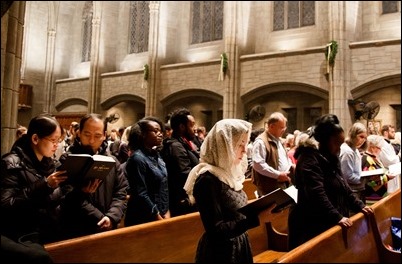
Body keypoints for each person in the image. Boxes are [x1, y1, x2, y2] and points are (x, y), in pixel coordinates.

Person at [287, 114, 373, 250]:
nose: (339, 149)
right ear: (325, 140)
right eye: (337, 144)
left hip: (328, 221)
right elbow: (316, 193)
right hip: (311, 225)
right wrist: (337, 217)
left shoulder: (331, 156)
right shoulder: (309, 158)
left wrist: (360, 206)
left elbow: (344, 186)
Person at [183, 119, 259, 264]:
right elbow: (217, 231)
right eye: (239, 145)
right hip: (220, 252)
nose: (244, 150)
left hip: (238, 243)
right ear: (224, 146)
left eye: (245, 144)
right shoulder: (207, 180)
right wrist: (254, 219)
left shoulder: (229, 174)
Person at [1, 114, 68, 263]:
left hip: (50, 230)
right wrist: (44, 186)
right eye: (53, 140)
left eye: (59, 141)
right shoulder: (11, 163)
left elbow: (59, 201)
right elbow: (6, 205)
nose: (56, 145)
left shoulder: (52, 165)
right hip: (22, 234)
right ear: (35, 139)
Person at [58, 113, 128, 240]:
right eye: (87, 134)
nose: (91, 141)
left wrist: (111, 217)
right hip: (76, 228)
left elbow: (121, 193)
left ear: (104, 136)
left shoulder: (113, 161)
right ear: (79, 133)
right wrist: (100, 218)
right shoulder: (67, 160)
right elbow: (65, 194)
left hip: (107, 226)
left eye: (97, 136)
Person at [124, 117, 170, 226]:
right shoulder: (138, 158)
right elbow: (141, 193)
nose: (160, 134)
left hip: (162, 213)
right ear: (143, 134)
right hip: (143, 217)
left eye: (160, 131)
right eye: (155, 131)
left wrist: (166, 211)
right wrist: (157, 215)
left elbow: (164, 186)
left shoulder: (157, 156)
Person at [161, 107, 199, 217]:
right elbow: (185, 175)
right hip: (183, 203)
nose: (195, 129)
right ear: (182, 127)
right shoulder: (176, 146)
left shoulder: (184, 143)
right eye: (192, 125)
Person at [251, 112, 294, 197]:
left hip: (282, 183)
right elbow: (258, 164)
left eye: (285, 127)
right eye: (281, 127)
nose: (284, 130)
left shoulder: (278, 140)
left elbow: (284, 157)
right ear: (271, 126)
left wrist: (291, 165)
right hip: (269, 187)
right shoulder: (261, 141)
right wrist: (277, 175)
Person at [361, 134, 396, 201]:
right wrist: (388, 177)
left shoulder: (374, 158)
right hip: (372, 197)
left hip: (380, 196)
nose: (380, 150)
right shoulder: (367, 159)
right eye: (379, 148)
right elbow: (370, 181)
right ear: (372, 147)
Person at [339, 122, 368, 203]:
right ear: (353, 135)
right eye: (361, 137)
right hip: (351, 191)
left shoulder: (355, 150)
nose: (363, 140)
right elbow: (347, 176)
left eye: (365, 138)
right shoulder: (347, 151)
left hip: (357, 189)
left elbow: (356, 172)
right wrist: (365, 180)